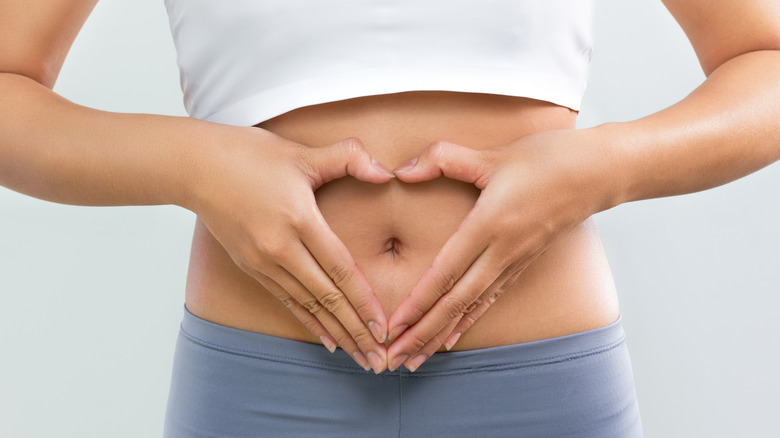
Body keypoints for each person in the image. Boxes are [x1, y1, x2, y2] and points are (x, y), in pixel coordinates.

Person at [1, 0, 779, 437]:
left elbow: (765, 62)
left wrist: (601, 167)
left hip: (536, 385)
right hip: (264, 385)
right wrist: (192, 165)